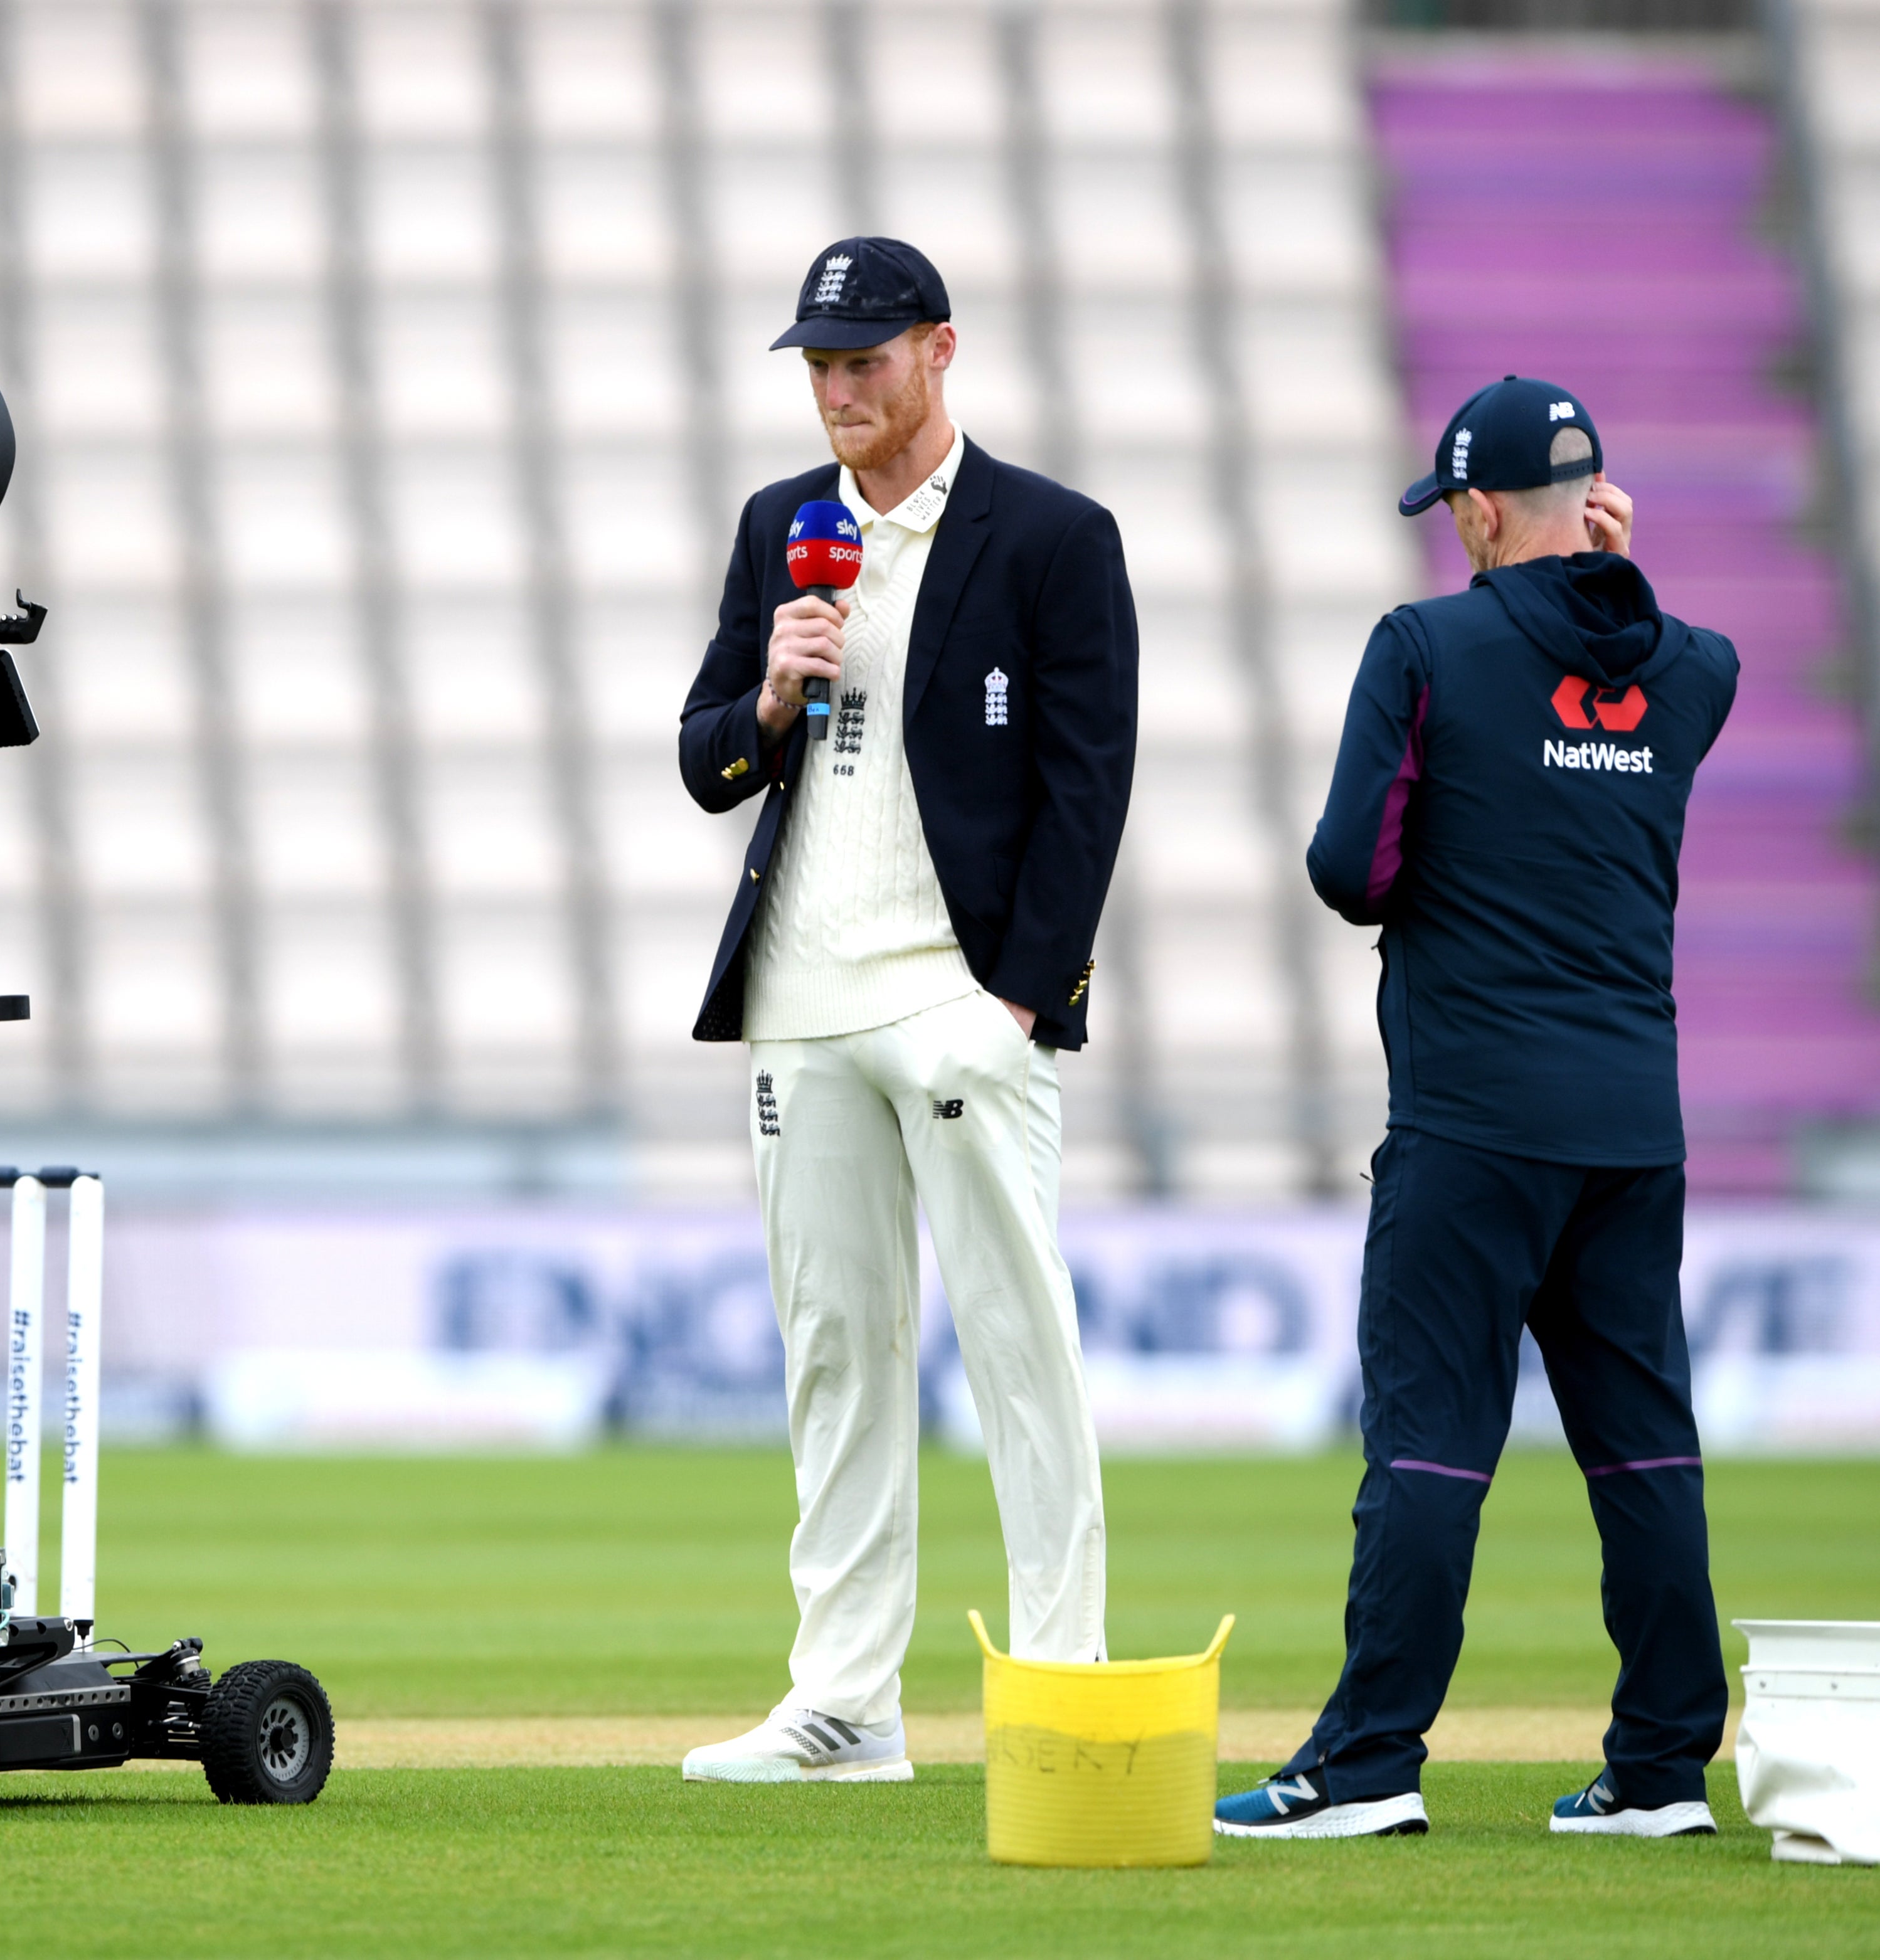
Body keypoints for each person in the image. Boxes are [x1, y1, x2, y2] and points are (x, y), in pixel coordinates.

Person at [1215, 378, 1732, 1843]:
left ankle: (1370, 1762)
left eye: (1455, 512)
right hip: (1637, 1120)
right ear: (1601, 507)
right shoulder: (1698, 664)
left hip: (1475, 1115)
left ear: (1485, 512)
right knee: (1646, 1447)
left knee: (1434, 1446)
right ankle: (1663, 1770)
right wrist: (1610, 582)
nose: (1452, 535)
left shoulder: (1425, 645)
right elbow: (1640, 693)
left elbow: (1350, 869)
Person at [674, 238, 1135, 1783]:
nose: (838, 389)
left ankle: (1065, 1685)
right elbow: (704, 756)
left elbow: (1089, 789)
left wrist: (1020, 1002)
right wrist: (772, 697)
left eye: (865, 359)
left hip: (958, 999)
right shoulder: (777, 527)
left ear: (943, 351)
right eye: (818, 363)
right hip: (797, 1004)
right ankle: (846, 1706)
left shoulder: (1056, 538)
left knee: (1017, 1339)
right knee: (834, 1351)